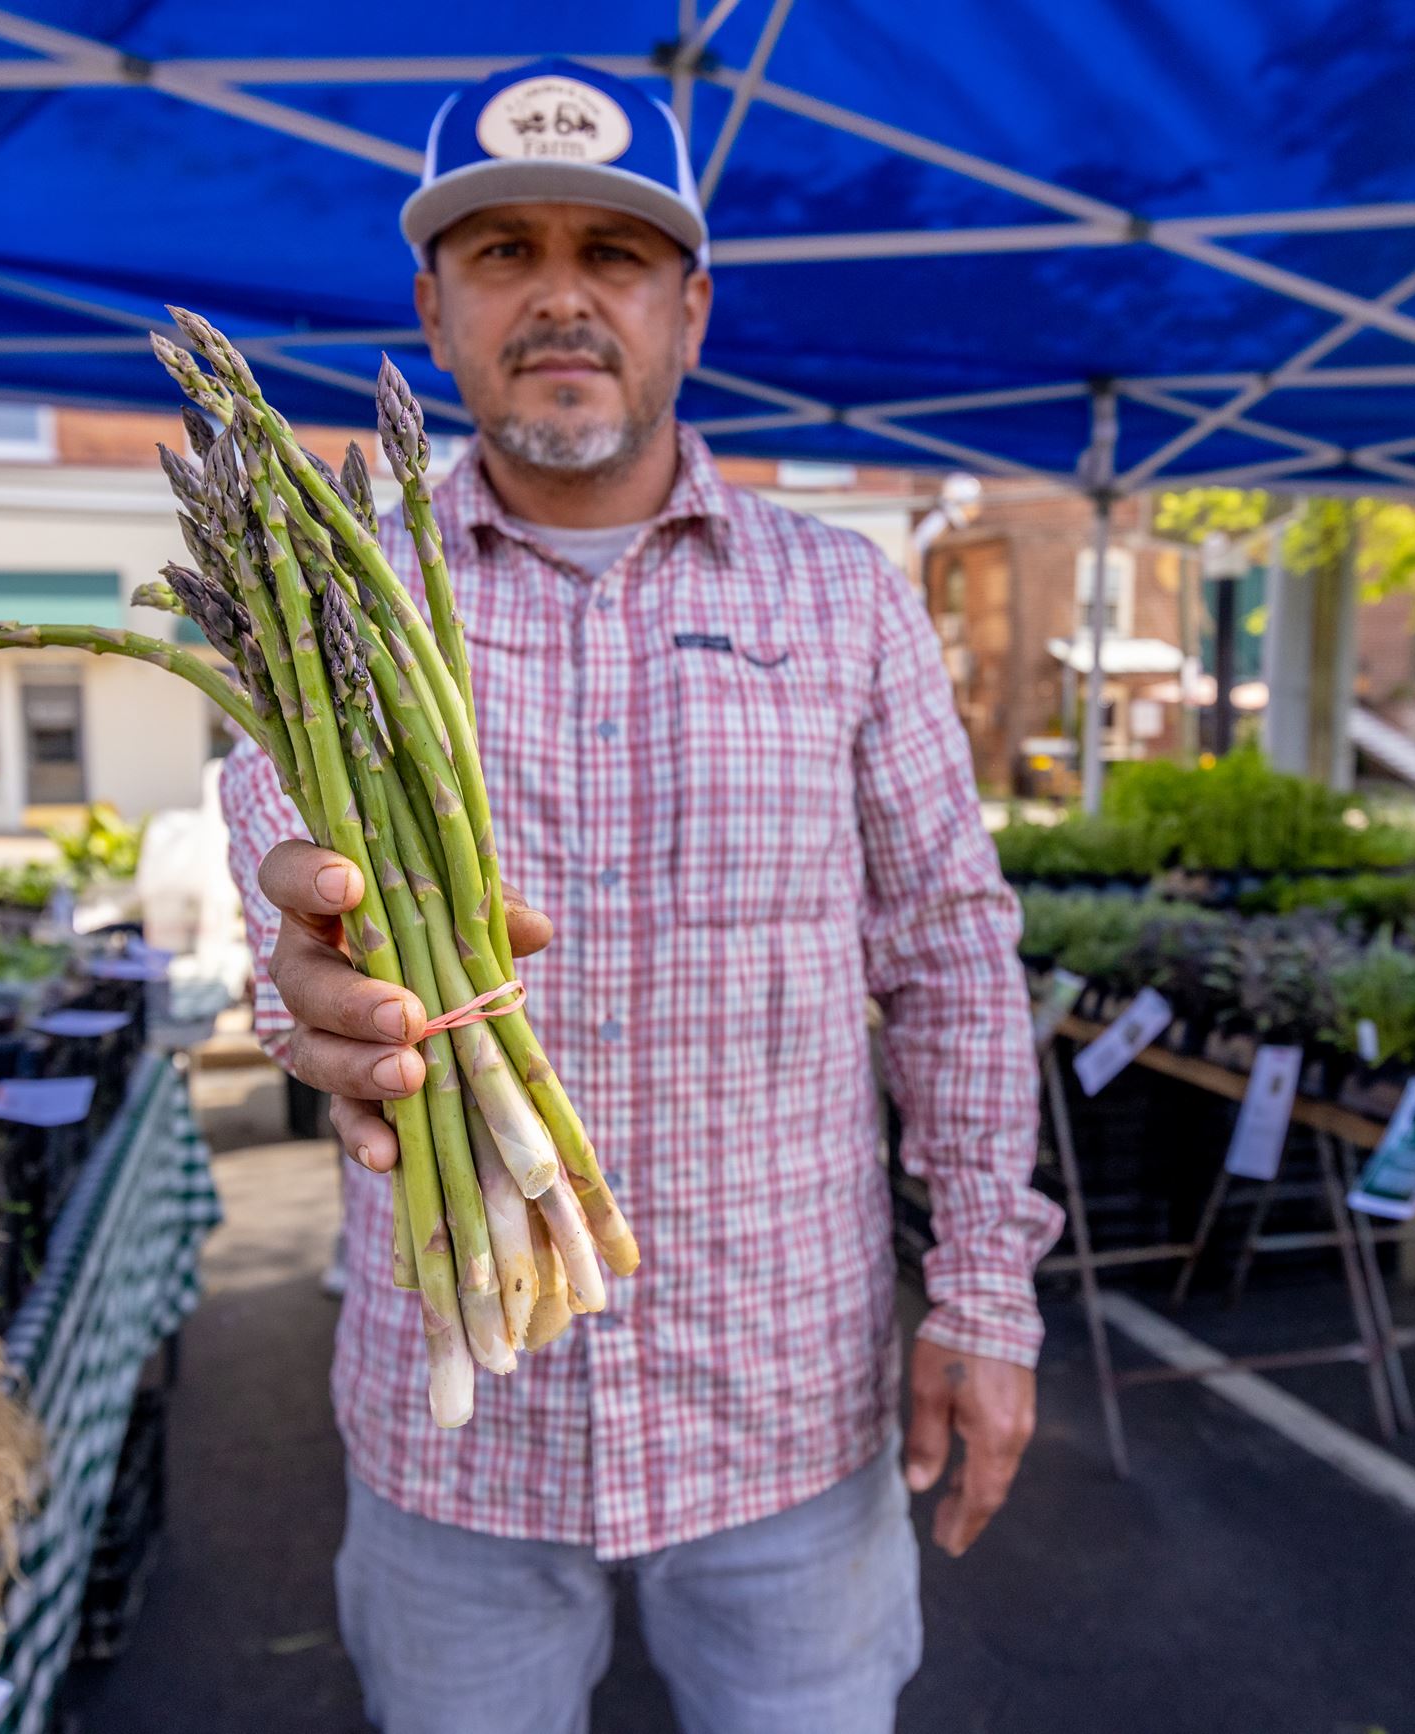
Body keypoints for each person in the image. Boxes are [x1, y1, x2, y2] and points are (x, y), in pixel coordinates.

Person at [220, 59, 1058, 1734]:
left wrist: (983, 1291)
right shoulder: (324, 597)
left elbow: (956, 961)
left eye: (611, 252)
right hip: (453, 1410)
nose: (557, 294)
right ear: (433, 309)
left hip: (784, 1404)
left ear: (690, 305)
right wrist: (302, 984)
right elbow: (282, 936)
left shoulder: (844, 599)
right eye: (502, 251)